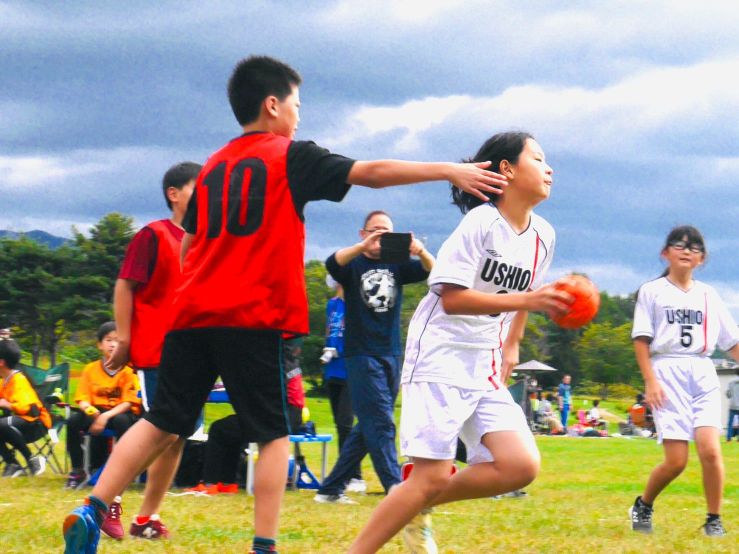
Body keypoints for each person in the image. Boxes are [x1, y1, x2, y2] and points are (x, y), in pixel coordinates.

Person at [63, 55, 506, 554]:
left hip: (190, 315)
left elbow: (190, 246)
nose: (299, 114)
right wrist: (448, 169)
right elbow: (372, 172)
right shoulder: (289, 155)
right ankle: (264, 545)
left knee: (162, 419)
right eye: (297, 104)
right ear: (273, 105)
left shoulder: (212, 167)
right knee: (273, 435)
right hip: (254, 315)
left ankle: (93, 506)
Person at [348, 131, 573, 553]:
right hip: (438, 355)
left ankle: (413, 503)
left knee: (520, 465)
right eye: (539, 158)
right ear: (506, 169)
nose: (549, 169)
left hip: (483, 363)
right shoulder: (481, 222)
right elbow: (451, 299)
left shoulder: (544, 234)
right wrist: (530, 300)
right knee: (430, 476)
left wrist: (512, 343)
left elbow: (526, 296)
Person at [93, 161, 199, 541]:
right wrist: (124, 338)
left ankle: (146, 517)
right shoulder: (154, 235)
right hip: (159, 349)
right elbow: (125, 286)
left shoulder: (207, 239)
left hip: (195, 350)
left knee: (178, 434)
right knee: (163, 429)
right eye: (196, 187)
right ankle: (107, 500)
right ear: (174, 193)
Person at [314, 210, 434, 504]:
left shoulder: (397, 264)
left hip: (391, 352)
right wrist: (364, 247)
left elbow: (433, 272)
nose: (381, 236)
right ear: (363, 232)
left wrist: (421, 251)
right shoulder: (353, 264)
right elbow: (332, 263)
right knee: (381, 422)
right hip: (361, 353)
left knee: (368, 424)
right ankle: (396, 488)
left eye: (387, 232)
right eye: (375, 230)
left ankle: (330, 489)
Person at [629, 225, 739, 537]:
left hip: (702, 371)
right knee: (677, 461)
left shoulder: (708, 295)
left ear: (702, 258)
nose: (686, 250)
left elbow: (731, 341)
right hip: (667, 372)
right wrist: (650, 381)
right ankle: (643, 504)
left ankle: (713, 518)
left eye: (694, 247)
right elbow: (641, 339)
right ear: (665, 253)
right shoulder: (652, 291)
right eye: (679, 244)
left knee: (711, 450)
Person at [321, 277, 364, 492]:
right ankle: (345, 474)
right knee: (340, 425)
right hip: (333, 369)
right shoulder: (333, 305)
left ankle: (354, 476)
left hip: (352, 370)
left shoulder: (359, 304)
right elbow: (330, 332)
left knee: (347, 423)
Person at [0, 338, 49, 477]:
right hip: (21, 423)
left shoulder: (19, 380)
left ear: (1, 362)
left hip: (36, 423)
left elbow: (27, 407)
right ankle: (13, 464)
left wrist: (7, 404)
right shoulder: (5, 380)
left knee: (1, 424)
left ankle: (33, 460)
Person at [726, 368, 739, 442]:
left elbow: (728, 394)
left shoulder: (730, 382)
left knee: (730, 423)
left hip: (732, 405)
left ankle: (729, 439)